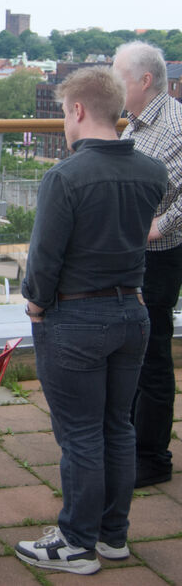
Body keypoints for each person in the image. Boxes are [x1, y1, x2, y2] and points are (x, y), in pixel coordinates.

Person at [15, 66, 167, 576]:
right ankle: (113, 536)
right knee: (117, 429)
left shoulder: (65, 177)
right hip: (133, 312)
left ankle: (76, 544)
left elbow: (44, 260)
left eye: (63, 112)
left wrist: (36, 306)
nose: (64, 121)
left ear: (77, 110)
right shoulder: (152, 172)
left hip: (76, 317)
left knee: (80, 435)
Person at [113, 41, 182, 487]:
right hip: (139, 253)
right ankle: (136, 445)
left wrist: (159, 228)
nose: (113, 83)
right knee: (139, 352)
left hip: (158, 256)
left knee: (153, 354)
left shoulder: (174, 124)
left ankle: (152, 458)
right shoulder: (136, 125)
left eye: (119, 75)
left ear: (144, 81)